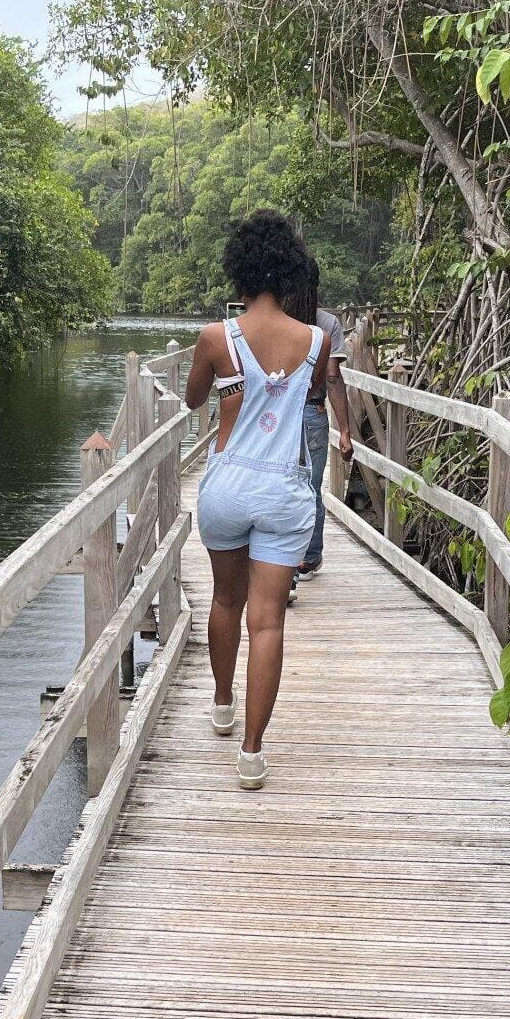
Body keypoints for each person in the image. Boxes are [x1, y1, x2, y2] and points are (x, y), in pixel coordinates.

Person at [185, 210, 329, 789]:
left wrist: (230, 384)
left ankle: (222, 703)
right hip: (285, 489)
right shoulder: (315, 341)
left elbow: (194, 399)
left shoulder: (215, 338)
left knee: (225, 600)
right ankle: (251, 752)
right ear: (289, 271)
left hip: (228, 485)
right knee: (266, 623)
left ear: (238, 270)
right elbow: (306, 394)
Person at [283, 258, 354, 590]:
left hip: (280, 415)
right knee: (310, 487)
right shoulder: (328, 324)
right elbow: (333, 378)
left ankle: (284, 557)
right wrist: (346, 431)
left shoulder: (280, 323)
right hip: (313, 412)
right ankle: (309, 556)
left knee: (284, 484)